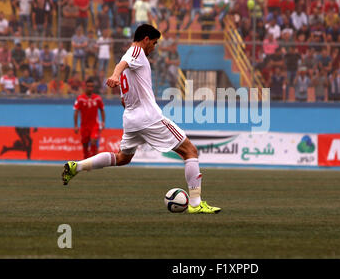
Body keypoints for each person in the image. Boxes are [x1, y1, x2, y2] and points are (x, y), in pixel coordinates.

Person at [62, 24, 221, 214]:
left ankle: (77, 166)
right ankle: (196, 204)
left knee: (122, 158)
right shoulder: (136, 50)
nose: (154, 48)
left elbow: (124, 98)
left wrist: (123, 88)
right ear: (146, 39)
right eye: (154, 43)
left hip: (131, 119)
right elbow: (121, 66)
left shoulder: (131, 59)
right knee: (190, 151)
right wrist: (114, 74)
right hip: (149, 117)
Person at [73, 78, 106, 159]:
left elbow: (102, 110)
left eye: (92, 86)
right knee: (85, 144)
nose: (90, 88)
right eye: (88, 86)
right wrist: (76, 125)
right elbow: (76, 112)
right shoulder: (80, 98)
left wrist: (103, 122)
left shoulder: (97, 98)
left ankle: (93, 159)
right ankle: (86, 158)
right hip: (84, 126)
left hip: (94, 125)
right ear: (85, 87)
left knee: (93, 141)